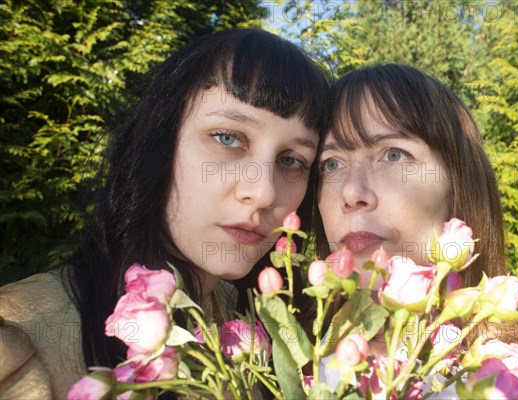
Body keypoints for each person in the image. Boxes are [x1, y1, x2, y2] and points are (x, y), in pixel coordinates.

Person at [0, 28, 331, 399]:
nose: (264, 192)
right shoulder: (24, 338)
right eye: (228, 138)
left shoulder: (255, 329)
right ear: (162, 140)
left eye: (291, 161)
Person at [315, 64, 518, 398]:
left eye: (394, 155)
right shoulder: (270, 367)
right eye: (331, 163)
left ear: (459, 186)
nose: (351, 193)